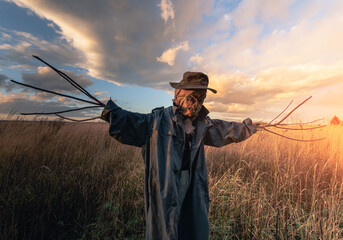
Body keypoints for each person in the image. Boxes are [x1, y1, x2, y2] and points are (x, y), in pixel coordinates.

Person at [101, 72, 257, 240]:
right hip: (166, 186)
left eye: (201, 98)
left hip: (192, 183)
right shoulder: (157, 120)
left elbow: (224, 129)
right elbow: (131, 122)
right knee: (166, 225)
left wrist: (247, 128)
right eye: (192, 98)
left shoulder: (202, 124)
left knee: (190, 223)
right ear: (178, 94)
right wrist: (113, 114)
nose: (196, 104)